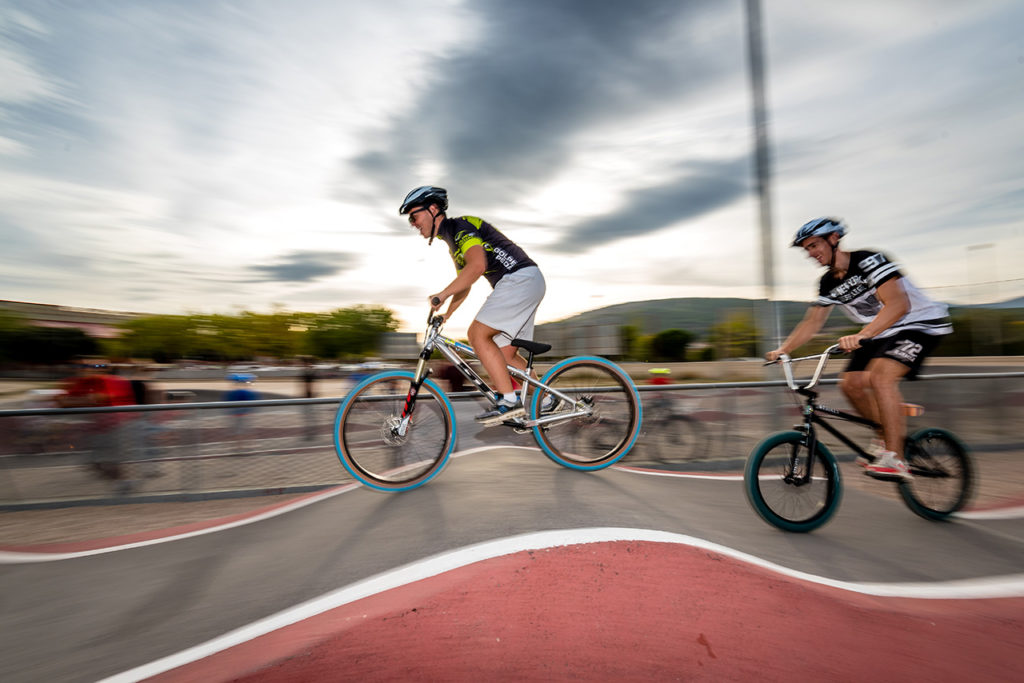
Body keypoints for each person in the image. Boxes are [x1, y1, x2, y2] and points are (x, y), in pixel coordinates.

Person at [765, 217, 953, 481]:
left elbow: (898, 305)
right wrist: (783, 350)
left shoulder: (868, 261)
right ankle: (884, 436)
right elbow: (813, 322)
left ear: (833, 239)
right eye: (806, 249)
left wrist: (863, 334)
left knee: (880, 377)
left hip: (920, 324)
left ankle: (896, 458)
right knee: (850, 383)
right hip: (880, 331)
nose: (811, 253)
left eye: (814, 245)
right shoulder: (828, 282)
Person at [400, 185, 546, 423]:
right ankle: (548, 401)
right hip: (526, 282)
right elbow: (465, 283)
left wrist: (443, 293)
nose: (413, 223)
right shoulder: (453, 242)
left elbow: (476, 267)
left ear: (433, 209)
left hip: (518, 280)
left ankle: (508, 402)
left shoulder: (461, 228)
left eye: (414, 216)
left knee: (477, 335)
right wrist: (447, 314)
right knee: (504, 356)